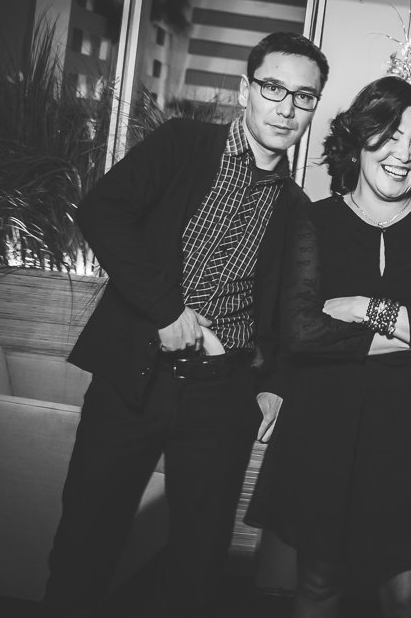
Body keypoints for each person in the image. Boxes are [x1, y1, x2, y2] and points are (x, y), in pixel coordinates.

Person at [42, 32, 329, 617]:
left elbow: (289, 314)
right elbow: (102, 210)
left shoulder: (299, 210)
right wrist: (166, 310)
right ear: (245, 90)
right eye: (273, 88)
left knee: (198, 565)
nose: (286, 108)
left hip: (222, 398)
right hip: (134, 376)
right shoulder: (183, 144)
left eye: (304, 97)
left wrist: (275, 383)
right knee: (86, 542)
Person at [245, 75, 411, 618]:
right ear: (358, 140)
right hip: (326, 425)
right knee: (319, 581)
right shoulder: (313, 219)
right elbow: (301, 331)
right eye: (391, 136)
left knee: (409, 594)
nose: (404, 154)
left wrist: (361, 306)